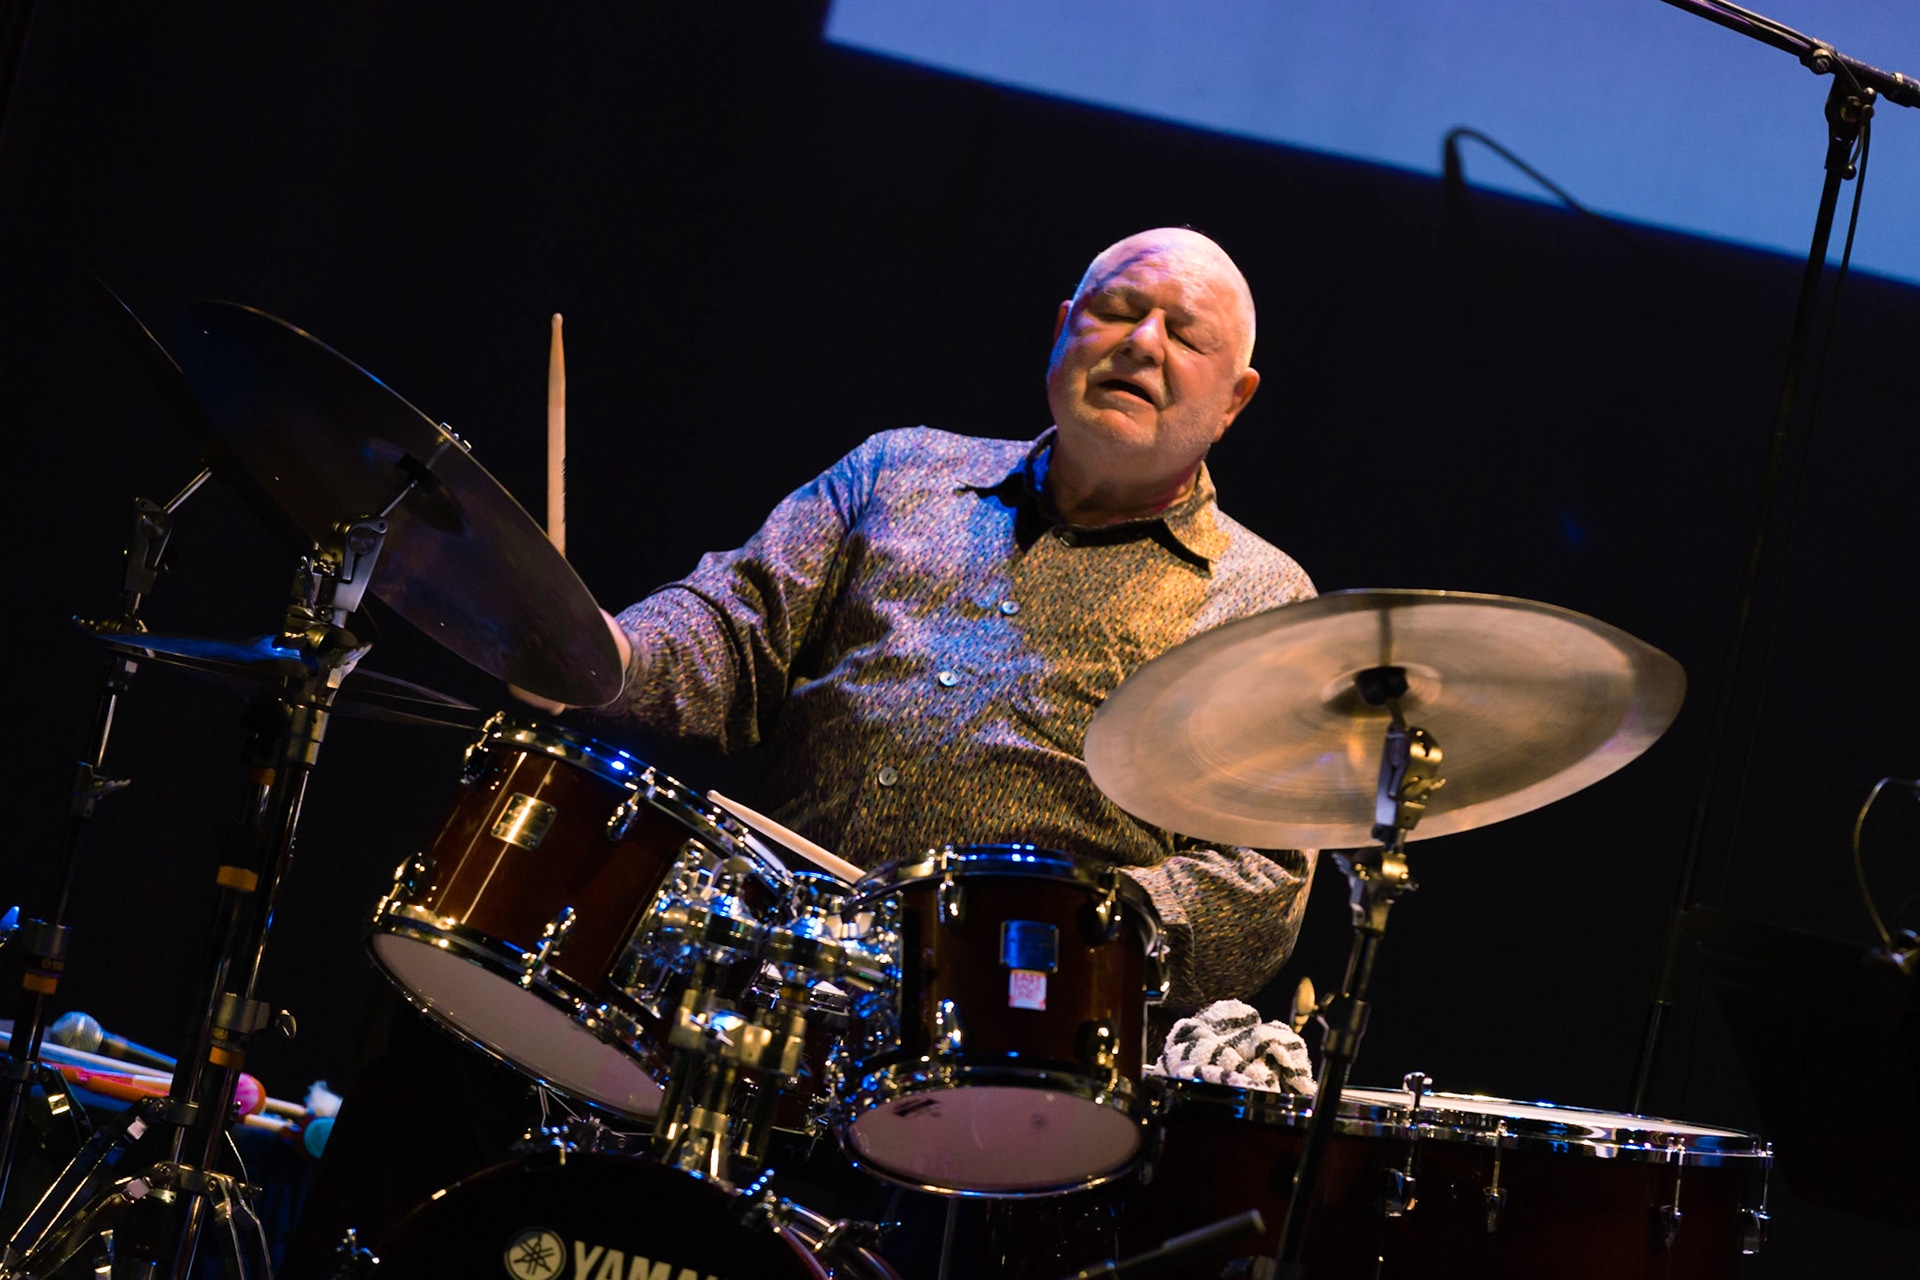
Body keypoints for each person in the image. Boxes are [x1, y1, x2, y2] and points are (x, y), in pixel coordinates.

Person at [581, 226, 1317, 1013]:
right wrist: (603, 653)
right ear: (1064, 326)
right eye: (1118, 309)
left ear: (1235, 399)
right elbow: (735, 625)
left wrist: (1053, 921)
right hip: (769, 973)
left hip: (1013, 1029)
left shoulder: (1262, 599)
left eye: (1184, 334)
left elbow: (1256, 875)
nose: (1141, 343)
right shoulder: (898, 469)